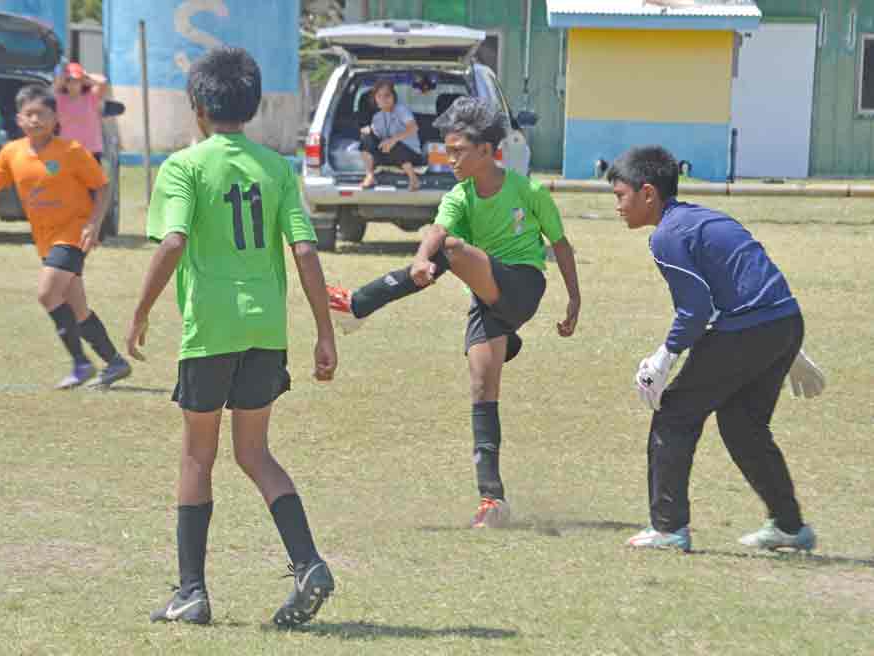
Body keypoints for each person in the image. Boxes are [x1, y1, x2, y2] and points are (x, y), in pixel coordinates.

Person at [125, 47, 338, 628]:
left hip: (211, 330)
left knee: (198, 455)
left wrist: (140, 310)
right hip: (265, 329)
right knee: (254, 453)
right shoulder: (277, 168)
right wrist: (324, 333)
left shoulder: (184, 167)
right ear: (253, 105)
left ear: (197, 105)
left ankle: (191, 592)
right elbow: (305, 251)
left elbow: (173, 242)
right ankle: (309, 563)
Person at [328, 97, 582, 528]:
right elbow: (437, 229)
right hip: (488, 300)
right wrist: (420, 259)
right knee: (482, 388)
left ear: (486, 150)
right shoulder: (459, 196)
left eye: (458, 151)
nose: (450, 159)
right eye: (446, 151)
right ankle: (492, 500)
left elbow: (559, 244)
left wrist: (574, 299)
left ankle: (359, 304)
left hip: (522, 285)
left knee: (452, 251)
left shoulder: (529, 191)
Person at [607, 145, 817, 552]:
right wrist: (789, 349)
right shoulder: (704, 218)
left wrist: (663, 359)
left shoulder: (666, 236)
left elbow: (696, 310)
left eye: (620, 196)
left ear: (648, 193)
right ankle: (790, 527)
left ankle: (668, 528)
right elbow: (753, 282)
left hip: (750, 329)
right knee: (743, 425)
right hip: (785, 322)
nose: (617, 206)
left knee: (674, 415)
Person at [0, 85, 131, 389]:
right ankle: (115, 363)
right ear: (19, 119)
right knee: (78, 308)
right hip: (45, 239)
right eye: (29, 114)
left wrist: (94, 224)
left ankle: (81, 363)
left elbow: (102, 186)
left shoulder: (71, 151)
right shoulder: (12, 152)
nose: (35, 120)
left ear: (56, 118)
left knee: (47, 294)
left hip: (74, 234)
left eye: (42, 114)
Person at [359, 78, 424, 191]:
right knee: (365, 138)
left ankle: (414, 179)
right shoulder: (377, 117)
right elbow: (378, 137)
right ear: (375, 99)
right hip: (389, 155)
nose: (383, 99)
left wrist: (393, 140)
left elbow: (413, 128)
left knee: (393, 145)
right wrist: (369, 131)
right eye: (379, 96)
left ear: (394, 96)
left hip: (410, 154)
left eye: (387, 95)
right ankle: (370, 176)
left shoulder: (401, 110)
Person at [54, 62, 107, 163]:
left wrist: (85, 75)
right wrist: (62, 77)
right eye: (68, 80)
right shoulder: (59, 99)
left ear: (82, 81)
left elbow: (102, 81)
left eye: (76, 80)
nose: (72, 84)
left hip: (91, 149)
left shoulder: (92, 96)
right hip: (68, 149)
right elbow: (55, 87)